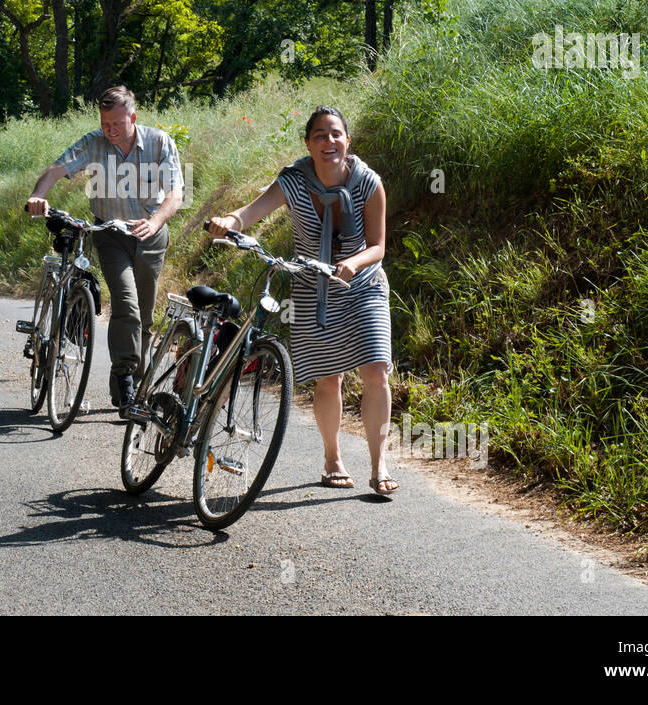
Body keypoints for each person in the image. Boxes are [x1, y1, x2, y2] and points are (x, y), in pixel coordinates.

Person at [207, 106, 397, 496]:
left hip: (363, 285)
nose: (329, 142)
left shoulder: (368, 182)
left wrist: (352, 263)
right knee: (329, 380)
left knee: (377, 371)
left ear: (348, 140)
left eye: (335, 134)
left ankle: (379, 467)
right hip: (312, 287)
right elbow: (250, 212)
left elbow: (378, 247)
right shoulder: (294, 182)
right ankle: (332, 458)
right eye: (319, 136)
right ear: (308, 145)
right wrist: (229, 221)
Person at [27, 86, 184, 417]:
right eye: (104, 123)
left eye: (116, 124)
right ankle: (126, 379)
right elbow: (57, 168)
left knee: (143, 314)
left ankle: (131, 391)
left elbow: (175, 193)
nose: (109, 130)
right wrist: (38, 195)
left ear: (133, 118)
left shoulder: (159, 142)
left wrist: (155, 223)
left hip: (150, 234)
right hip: (110, 233)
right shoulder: (93, 142)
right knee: (125, 303)